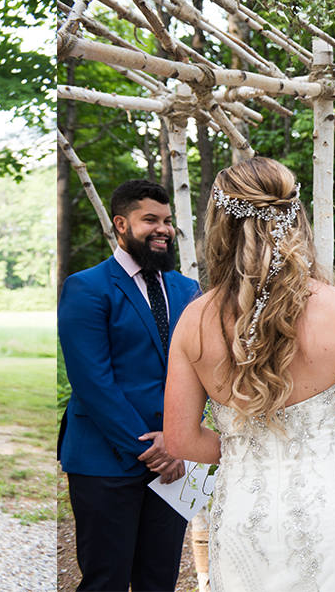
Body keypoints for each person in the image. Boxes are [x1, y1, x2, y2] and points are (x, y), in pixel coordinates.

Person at [163, 157, 335, 592]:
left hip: (243, 514)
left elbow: (180, 440)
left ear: (220, 224)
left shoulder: (195, 320)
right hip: (330, 506)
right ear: (296, 216)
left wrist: (244, 449)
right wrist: (322, 451)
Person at [59, 179, 201, 592]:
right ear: (121, 224)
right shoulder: (86, 287)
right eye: (150, 220)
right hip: (104, 460)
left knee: (160, 579)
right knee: (106, 579)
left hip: (173, 462)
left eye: (168, 221)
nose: (163, 229)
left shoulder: (186, 289)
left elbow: (201, 370)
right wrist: (152, 448)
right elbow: (92, 381)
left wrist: (178, 439)